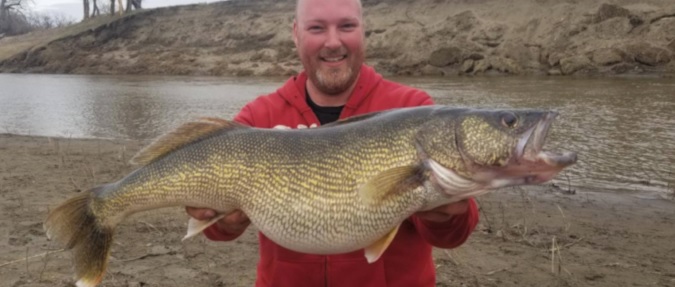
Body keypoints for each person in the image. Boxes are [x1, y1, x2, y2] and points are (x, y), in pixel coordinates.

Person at [186, 0, 479, 286]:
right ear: (296, 33)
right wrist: (222, 222)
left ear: (363, 30)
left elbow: (451, 236)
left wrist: (445, 217)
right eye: (316, 28)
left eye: (347, 26)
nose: (333, 42)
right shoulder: (258, 117)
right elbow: (219, 231)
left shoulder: (413, 109)